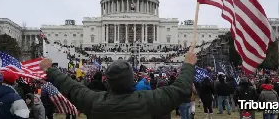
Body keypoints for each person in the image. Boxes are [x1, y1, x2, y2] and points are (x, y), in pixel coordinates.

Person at [40, 51, 197, 119]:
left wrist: (51, 71)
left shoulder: (94, 102)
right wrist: (188, 65)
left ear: (107, 82)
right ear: (132, 80)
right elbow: (180, 89)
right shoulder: (148, 101)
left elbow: (72, 87)